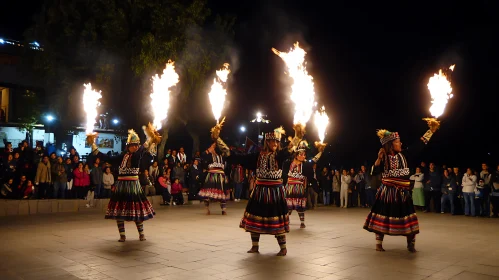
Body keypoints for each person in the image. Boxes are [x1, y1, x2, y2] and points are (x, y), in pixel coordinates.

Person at [213, 123, 303, 256]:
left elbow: (289, 149)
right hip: (259, 191)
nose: (275, 143)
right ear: (267, 141)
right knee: (255, 217)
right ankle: (255, 246)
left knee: (276, 218)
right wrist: (217, 139)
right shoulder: (256, 156)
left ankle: (283, 247)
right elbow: (235, 156)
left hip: (275, 193)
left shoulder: (279, 155)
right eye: (272, 141)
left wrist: (298, 136)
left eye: (277, 141)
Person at [363, 120, 439, 252]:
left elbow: (420, 144)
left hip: (403, 193)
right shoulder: (384, 158)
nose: (401, 143)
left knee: (408, 217)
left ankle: (411, 244)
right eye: (398, 142)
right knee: (382, 215)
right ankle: (378, 244)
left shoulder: (405, 155)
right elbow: (373, 172)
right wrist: (379, 159)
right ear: (391, 145)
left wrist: (431, 131)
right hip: (386, 192)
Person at [87, 125, 160, 242]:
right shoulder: (122, 156)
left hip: (133, 186)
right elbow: (108, 158)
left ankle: (141, 234)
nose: (135, 147)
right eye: (133, 145)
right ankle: (122, 235)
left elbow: (142, 149)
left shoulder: (138, 155)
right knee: (119, 211)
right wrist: (93, 145)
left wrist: (151, 138)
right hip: (121, 186)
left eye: (136, 145)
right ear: (128, 146)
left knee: (136, 211)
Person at [282, 140, 324, 228]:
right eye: (301, 154)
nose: (303, 156)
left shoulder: (305, 165)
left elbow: (314, 160)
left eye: (304, 154)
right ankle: (286, 221)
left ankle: (302, 222)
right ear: (296, 155)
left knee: (299, 206)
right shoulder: (288, 163)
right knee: (288, 206)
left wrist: (320, 152)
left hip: (299, 188)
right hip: (289, 187)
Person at [198, 139, 230, 215]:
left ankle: (223, 209)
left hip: (221, 176)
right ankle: (207, 209)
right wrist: (208, 150)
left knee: (222, 193)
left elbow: (228, 152)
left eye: (214, 146)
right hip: (211, 175)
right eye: (212, 146)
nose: (213, 147)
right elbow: (202, 157)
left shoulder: (221, 156)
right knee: (208, 193)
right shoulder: (208, 155)